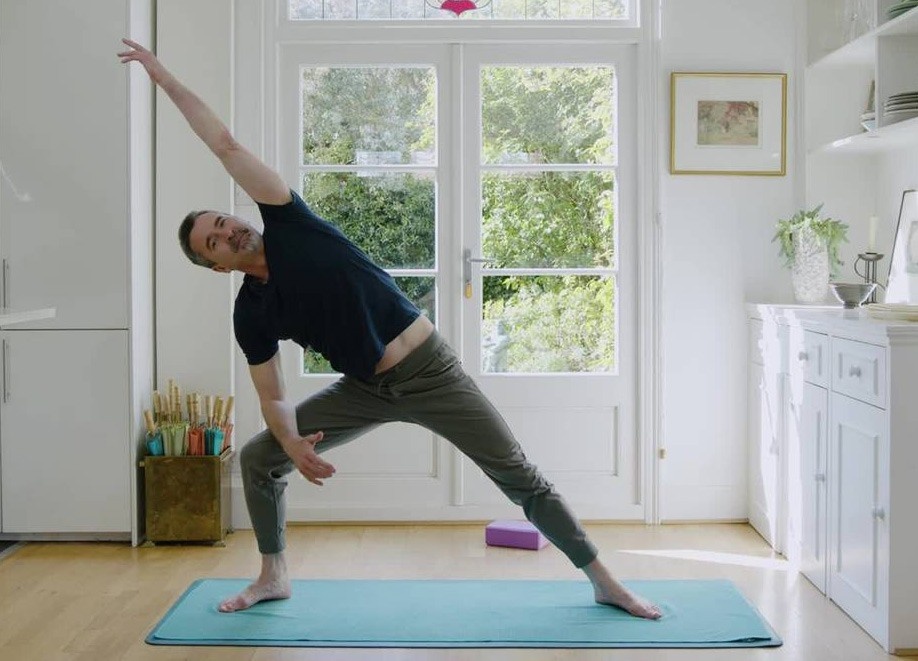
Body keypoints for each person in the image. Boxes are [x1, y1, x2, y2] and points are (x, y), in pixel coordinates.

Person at [118, 38, 661, 620]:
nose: (229, 233)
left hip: (430, 371)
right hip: (366, 389)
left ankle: (605, 581)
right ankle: (273, 575)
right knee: (260, 457)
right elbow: (272, 393)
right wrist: (292, 443)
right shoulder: (250, 312)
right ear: (217, 266)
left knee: (517, 474)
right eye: (214, 242)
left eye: (224, 222)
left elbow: (223, 143)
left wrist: (161, 75)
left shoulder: (288, 219)